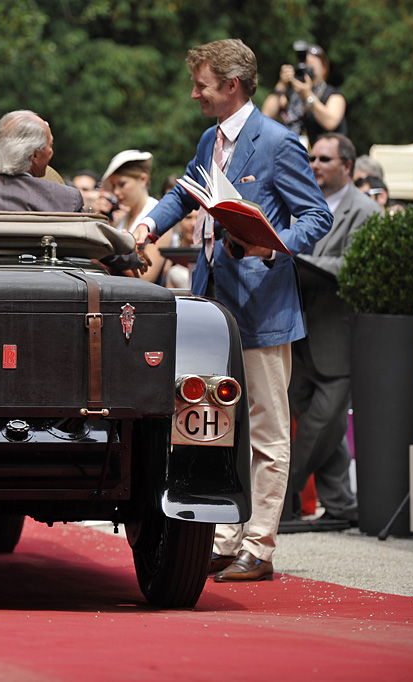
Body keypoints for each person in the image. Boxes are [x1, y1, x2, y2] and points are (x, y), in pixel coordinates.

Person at [135, 39, 332, 582]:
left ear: (232, 85)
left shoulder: (278, 141)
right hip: (213, 303)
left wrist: (272, 246)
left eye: (201, 83)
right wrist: (148, 225)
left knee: (267, 427)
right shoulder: (210, 138)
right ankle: (223, 536)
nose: (194, 92)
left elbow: (317, 218)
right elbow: (184, 192)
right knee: (218, 423)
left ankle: (260, 547)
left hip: (264, 302)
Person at [282, 133, 380, 532]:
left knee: (321, 423)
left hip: (338, 335)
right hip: (297, 330)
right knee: (324, 424)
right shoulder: (300, 206)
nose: (315, 164)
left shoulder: (366, 211)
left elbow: (353, 268)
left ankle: (276, 495)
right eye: (312, 158)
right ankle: (340, 502)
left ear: (348, 167)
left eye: (324, 158)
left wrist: (298, 257)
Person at [261, 43, 346, 150]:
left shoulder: (333, 95)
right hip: (290, 153)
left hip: (322, 157)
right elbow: (266, 116)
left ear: (324, 69)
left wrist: (308, 95)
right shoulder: (292, 94)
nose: (307, 72)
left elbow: (330, 122)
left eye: (312, 69)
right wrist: (282, 84)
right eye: (304, 68)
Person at [99, 150, 168, 282]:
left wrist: (107, 252)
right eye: (113, 186)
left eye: (122, 184)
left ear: (143, 179)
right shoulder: (121, 218)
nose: (116, 192)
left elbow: (146, 275)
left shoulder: (159, 217)